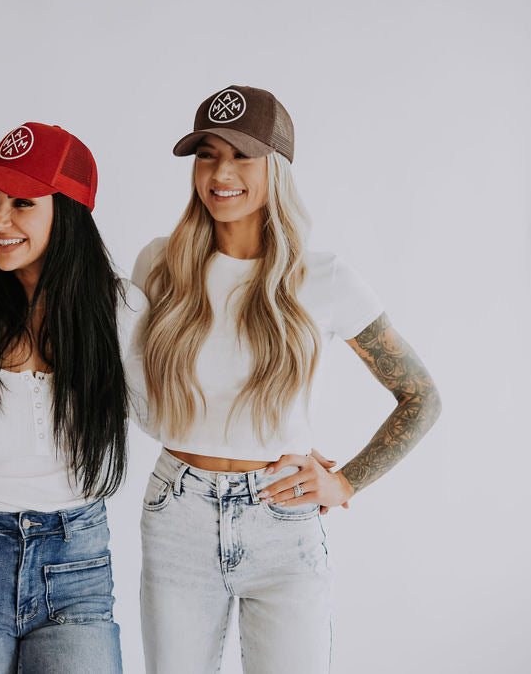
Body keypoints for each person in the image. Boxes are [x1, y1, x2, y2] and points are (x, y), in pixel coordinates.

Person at [132, 85, 442, 673]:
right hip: (178, 513)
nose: (221, 173)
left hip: (282, 518)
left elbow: (420, 396)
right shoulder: (157, 264)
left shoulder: (321, 278)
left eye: (241, 155)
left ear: (276, 166)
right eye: (206, 154)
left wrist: (346, 482)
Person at [0, 122, 147, 673]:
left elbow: (173, 413)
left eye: (21, 203)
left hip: (77, 559)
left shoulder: (121, 314)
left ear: (67, 214)